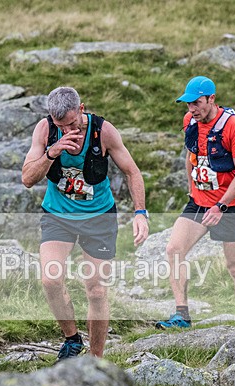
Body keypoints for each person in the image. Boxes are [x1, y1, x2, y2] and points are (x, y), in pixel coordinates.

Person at [22, 86, 149, 362]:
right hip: (58, 215)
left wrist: (140, 212)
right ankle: (72, 339)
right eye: (61, 126)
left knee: (97, 290)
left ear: (81, 109)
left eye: (72, 123)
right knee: (50, 280)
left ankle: (95, 361)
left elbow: (132, 172)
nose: (68, 130)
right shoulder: (45, 130)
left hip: (99, 217)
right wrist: (52, 152)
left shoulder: (103, 131)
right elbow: (27, 178)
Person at [156, 76, 235, 329]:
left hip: (230, 206)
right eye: (188, 104)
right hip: (199, 202)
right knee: (174, 250)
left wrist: (221, 206)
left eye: (197, 103)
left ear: (211, 99)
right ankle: (182, 315)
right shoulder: (190, 121)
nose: (192, 109)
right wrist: (192, 189)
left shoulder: (233, 126)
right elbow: (191, 156)